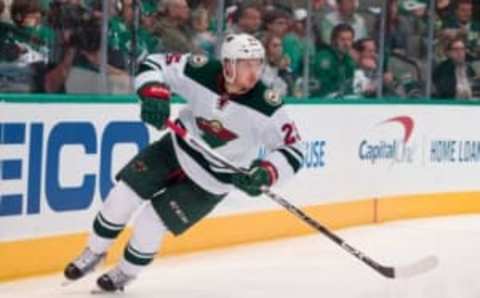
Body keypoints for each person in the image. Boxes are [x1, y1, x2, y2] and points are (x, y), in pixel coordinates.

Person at [63, 33, 304, 292]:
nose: (254, 72)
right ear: (227, 64)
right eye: (246, 64)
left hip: (211, 181)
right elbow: (154, 64)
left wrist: (267, 172)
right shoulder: (200, 69)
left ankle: (125, 272)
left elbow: (293, 149)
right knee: (120, 197)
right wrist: (152, 92)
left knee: (150, 223)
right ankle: (94, 251)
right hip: (174, 150)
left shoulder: (267, 105)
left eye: (258, 64)